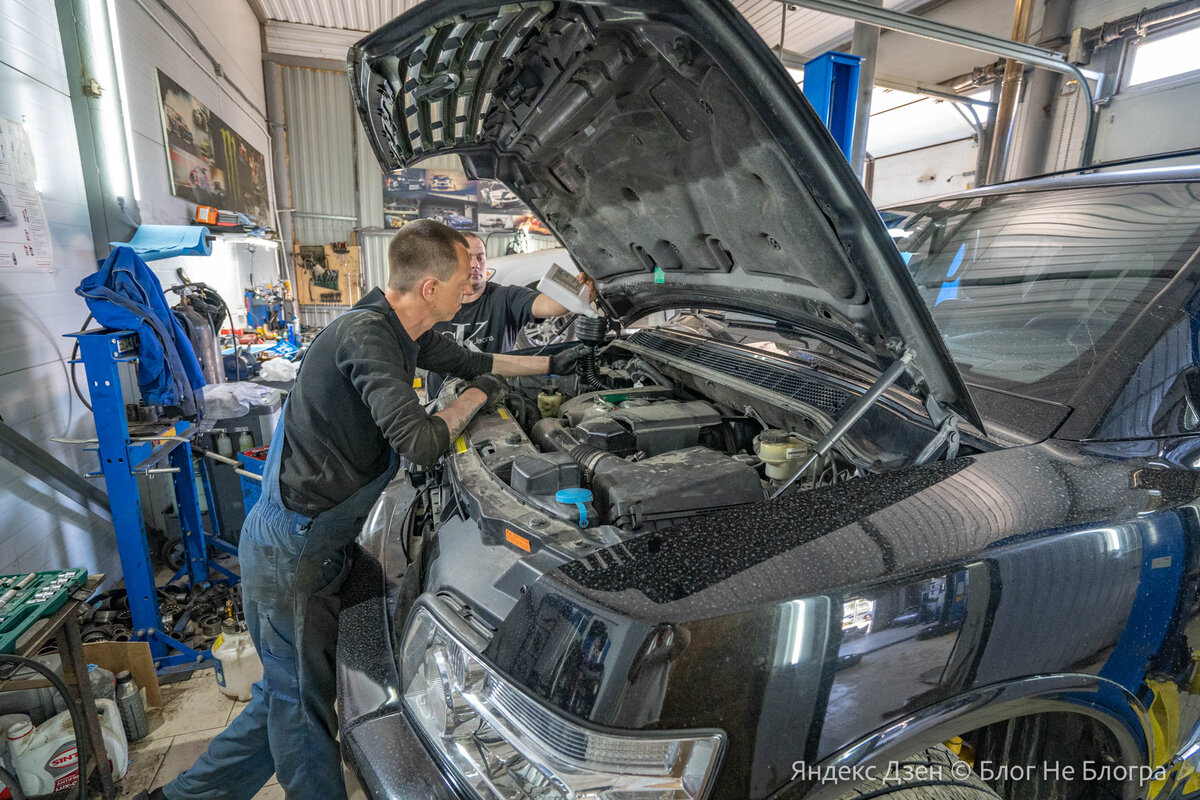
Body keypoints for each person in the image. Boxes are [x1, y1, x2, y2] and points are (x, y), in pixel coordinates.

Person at [151, 220, 582, 800]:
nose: (473, 286)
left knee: (289, 693)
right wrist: (477, 400)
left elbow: (480, 364)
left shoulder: (407, 331)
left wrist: (560, 366)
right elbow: (423, 443)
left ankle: (182, 797)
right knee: (301, 714)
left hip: (321, 538)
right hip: (293, 551)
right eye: (463, 277)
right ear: (431, 287)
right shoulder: (367, 337)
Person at [426, 231, 595, 396]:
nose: (475, 264)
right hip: (439, 399)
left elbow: (552, 305)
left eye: (480, 257)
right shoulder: (432, 301)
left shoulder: (506, 297)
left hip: (494, 397)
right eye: (467, 257)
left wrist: (579, 293)